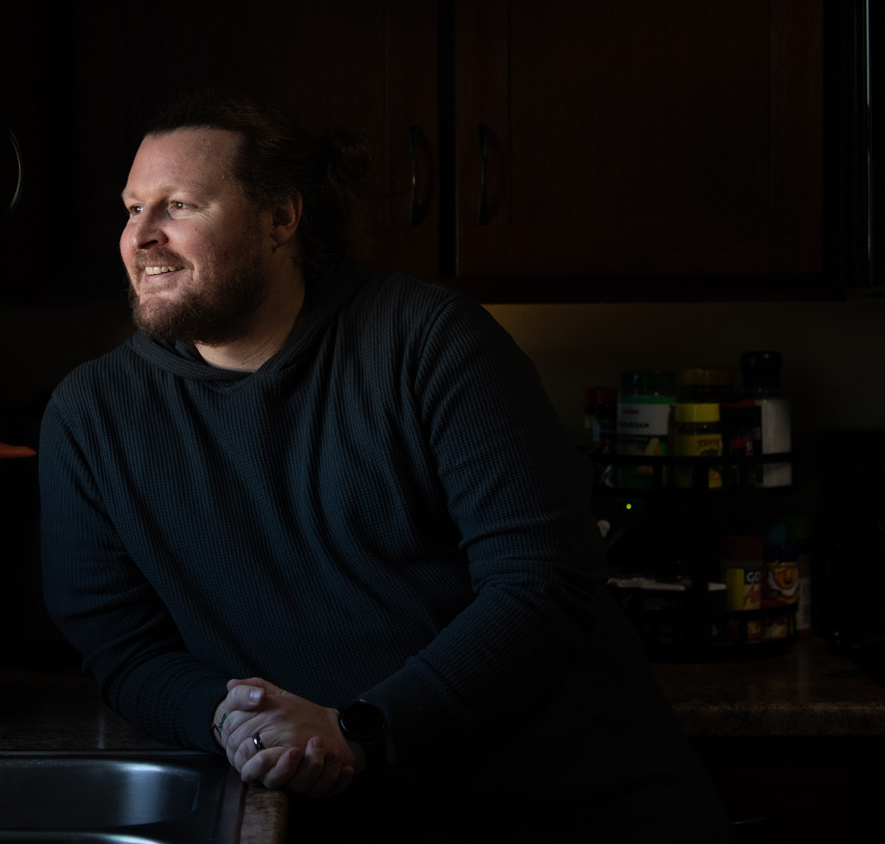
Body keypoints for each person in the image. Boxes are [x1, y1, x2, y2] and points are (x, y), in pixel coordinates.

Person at [38, 89, 727, 842]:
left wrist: (363, 728)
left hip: (564, 804)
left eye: (179, 206)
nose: (142, 237)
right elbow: (121, 646)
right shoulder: (91, 413)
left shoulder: (430, 342)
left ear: (280, 219)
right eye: (134, 208)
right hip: (350, 816)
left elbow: (542, 583)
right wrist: (224, 716)